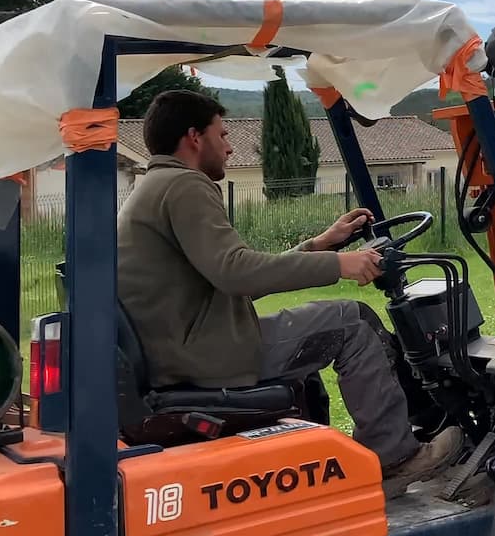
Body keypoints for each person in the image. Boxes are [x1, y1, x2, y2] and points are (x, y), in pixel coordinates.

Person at [116, 88, 462, 495]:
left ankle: (350, 456)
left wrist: (321, 245)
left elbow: (227, 274)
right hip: (207, 356)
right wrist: (340, 265)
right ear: (195, 137)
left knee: (330, 330)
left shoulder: (153, 187)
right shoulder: (184, 186)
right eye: (222, 136)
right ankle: (396, 458)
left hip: (190, 345)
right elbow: (236, 272)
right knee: (352, 321)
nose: (229, 148)